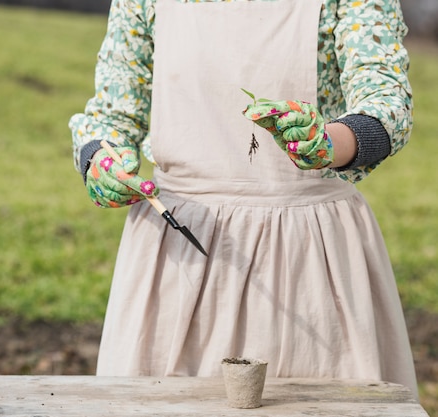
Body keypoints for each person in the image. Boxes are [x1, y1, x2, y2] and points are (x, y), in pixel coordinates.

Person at [69, 0, 418, 398]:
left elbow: (387, 104)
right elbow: (113, 115)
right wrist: (99, 158)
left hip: (311, 257)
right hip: (176, 254)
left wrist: (327, 142)